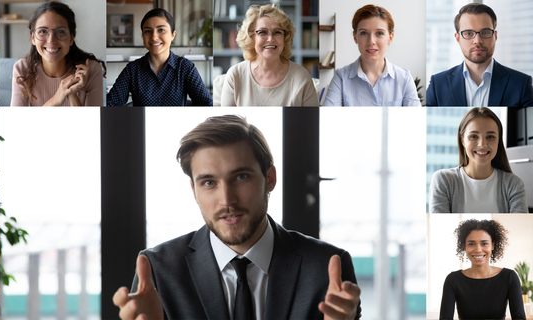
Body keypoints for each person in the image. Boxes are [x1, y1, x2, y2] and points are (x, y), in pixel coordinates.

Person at [112, 115, 361, 319]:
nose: (227, 200)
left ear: (270, 178)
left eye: (241, 177)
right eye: (209, 182)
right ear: (194, 191)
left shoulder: (327, 268)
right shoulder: (159, 270)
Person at [426, 3, 533, 106]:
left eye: (485, 32)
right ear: (457, 38)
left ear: (495, 36)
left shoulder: (521, 84)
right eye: (468, 33)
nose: (477, 40)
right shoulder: (438, 84)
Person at [429, 107, 528, 213]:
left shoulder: (514, 184)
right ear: (463, 140)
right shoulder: (443, 180)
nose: (482, 144)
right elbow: (439, 227)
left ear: (499, 141)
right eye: (473, 136)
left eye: (490, 137)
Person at [106, 9, 212, 106]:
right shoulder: (132, 70)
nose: (154, 37)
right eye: (148, 31)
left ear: (172, 35)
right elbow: (111, 104)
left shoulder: (185, 67)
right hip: (142, 125)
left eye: (161, 30)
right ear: (142, 36)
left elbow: (206, 104)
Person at [220, 4, 319, 106]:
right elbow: (226, 121)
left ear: (285, 38)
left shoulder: (301, 77)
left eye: (277, 32)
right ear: (251, 37)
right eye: (262, 32)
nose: (270, 39)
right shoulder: (235, 75)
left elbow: (311, 120)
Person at [11, 2, 106, 106]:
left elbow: (92, 122)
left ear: (71, 38)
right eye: (43, 31)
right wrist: (57, 97)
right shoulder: (22, 69)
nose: (51, 40)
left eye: (60, 31)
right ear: (33, 38)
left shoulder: (90, 70)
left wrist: (72, 94)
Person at [324, 5, 420, 106]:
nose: (371, 41)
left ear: (390, 38)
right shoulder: (341, 77)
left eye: (379, 33)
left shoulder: (404, 78)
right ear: (355, 37)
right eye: (364, 33)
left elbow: (415, 120)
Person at [439, 219, 525, 320]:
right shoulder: (453, 280)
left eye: (484, 243)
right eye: (471, 244)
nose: (478, 249)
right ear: (464, 246)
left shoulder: (509, 277)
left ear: (493, 245)